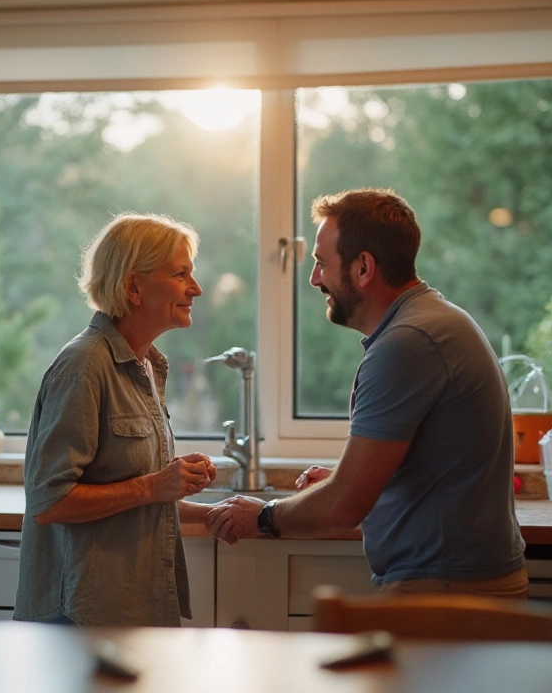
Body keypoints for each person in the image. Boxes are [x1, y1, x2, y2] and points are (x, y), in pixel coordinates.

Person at [205, 188, 528, 597]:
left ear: (363, 267)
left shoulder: (406, 343)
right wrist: (345, 481)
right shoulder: (430, 320)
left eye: (322, 263)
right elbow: (413, 468)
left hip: (447, 590)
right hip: (457, 581)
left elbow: (344, 506)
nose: (314, 278)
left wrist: (264, 516)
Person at [14, 212, 219, 626]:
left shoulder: (145, 365)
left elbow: (139, 498)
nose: (195, 289)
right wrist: (156, 484)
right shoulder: (85, 366)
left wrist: (213, 513)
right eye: (181, 275)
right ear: (133, 288)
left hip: (130, 608)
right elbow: (50, 501)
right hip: (82, 616)